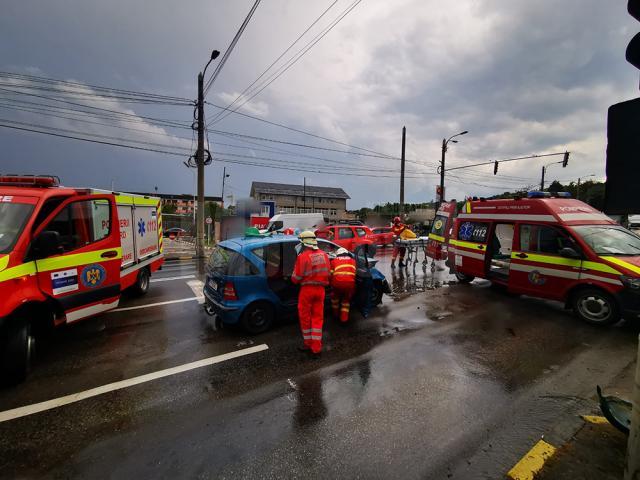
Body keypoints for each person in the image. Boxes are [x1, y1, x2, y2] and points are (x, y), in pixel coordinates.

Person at [291, 230, 331, 358]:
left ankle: (308, 343)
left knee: (305, 317)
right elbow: (328, 274)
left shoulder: (302, 256)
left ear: (304, 243)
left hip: (307, 290)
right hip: (321, 291)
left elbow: (296, 278)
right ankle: (316, 348)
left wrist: (292, 276)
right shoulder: (324, 255)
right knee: (318, 318)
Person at [329, 247, 357, 323]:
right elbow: (355, 274)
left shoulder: (334, 261)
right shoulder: (353, 261)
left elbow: (330, 275)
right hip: (350, 285)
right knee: (346, 301)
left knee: (335, 299)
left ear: (338, 254)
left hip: (337, 284)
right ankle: (344, 320)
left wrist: (330, 284)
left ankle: (335, 315)